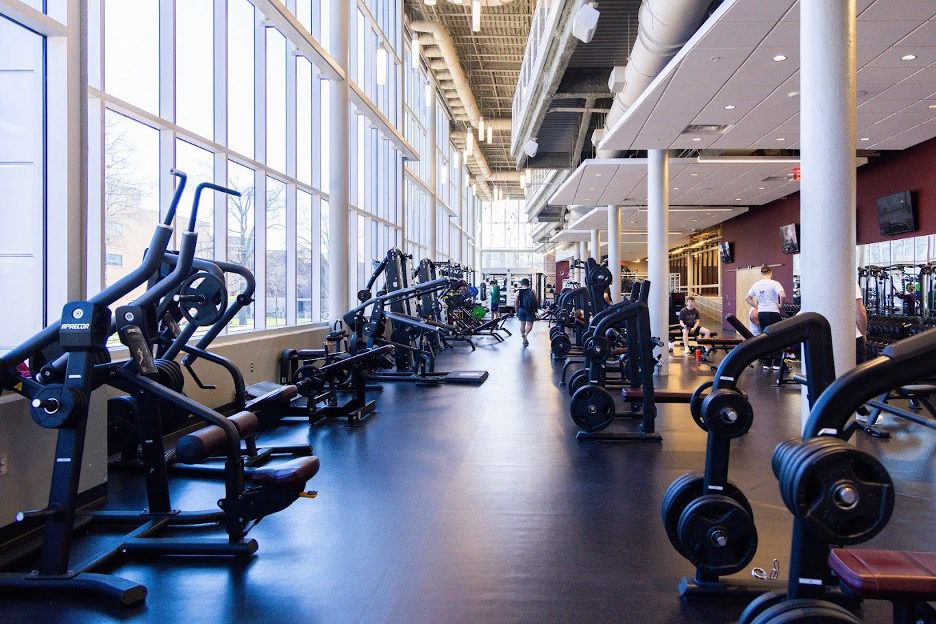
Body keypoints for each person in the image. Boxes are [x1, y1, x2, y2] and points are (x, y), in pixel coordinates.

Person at [745, 265, 786, 370]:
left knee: (765, 335)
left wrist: (757, 306)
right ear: (771, 273)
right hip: (773, 312)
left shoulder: (756, 285)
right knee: (777, 336)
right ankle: (777, 363)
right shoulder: (775, 283)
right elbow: (783, 295)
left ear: (761, 274)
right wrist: (781, 305)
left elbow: (748, 298)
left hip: (762, 313)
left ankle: (767, 363)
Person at [515, 278, 539, 347]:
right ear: (528, 284)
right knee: (529, 325)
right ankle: (525, 334)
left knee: (522, 325)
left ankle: (524, 340)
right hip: (530, 310)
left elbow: (516, 302)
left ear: (521, 284)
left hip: (521, 309)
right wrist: (536, 310)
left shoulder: (518, 292)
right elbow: (536, 301)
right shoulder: (532, 291)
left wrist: (516, 311)